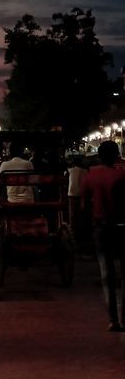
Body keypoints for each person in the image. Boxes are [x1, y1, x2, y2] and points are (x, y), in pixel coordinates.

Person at [81, 140, 125, 331]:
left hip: (100, 228)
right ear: (116, 155)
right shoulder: (121, 175)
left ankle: (112, 320)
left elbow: (84, 205)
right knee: (124, 274)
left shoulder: (91, 175)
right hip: (121, 227)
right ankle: (124, 318)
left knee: (106, 274)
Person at [67, 155, 88, 244]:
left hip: (72, 194)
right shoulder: (85, 171)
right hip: (82, 194)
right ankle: (82, 232)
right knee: (82, 214)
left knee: (73, 215)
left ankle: (73, 232)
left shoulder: (70, 171)